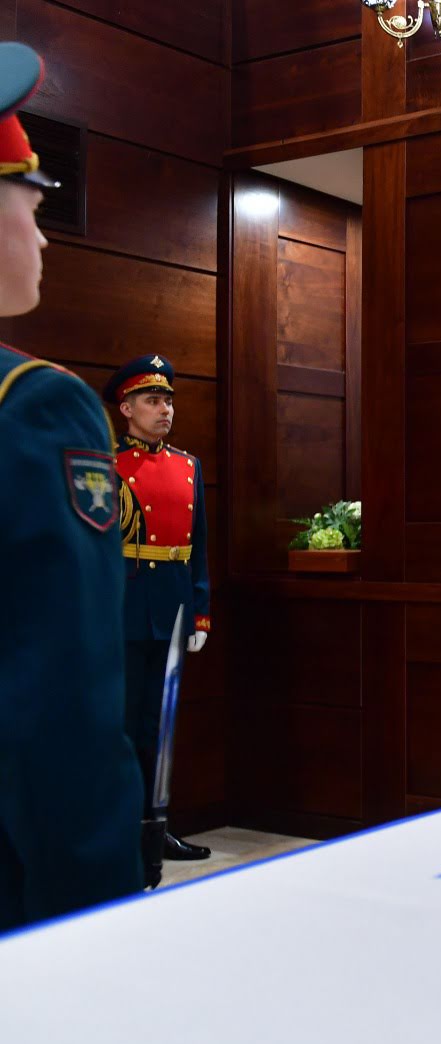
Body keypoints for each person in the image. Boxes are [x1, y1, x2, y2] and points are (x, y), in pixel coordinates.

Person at [0, 42, 144, 931]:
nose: (45, 232)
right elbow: (59, 710)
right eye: (30, 197)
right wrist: (100, 915)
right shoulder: (34, 407)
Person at [104, 354, 213, 863]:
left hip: (171, 607)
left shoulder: (187, 466)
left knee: (161, 727)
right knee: (122, 725)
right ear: (126, 408)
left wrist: (200, 611)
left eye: (168, 399)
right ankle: (119, 831)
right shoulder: (107, 467)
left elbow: (199, 550)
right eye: (152, 400)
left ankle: (156, 829)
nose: (164, 409)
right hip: (123, 606)